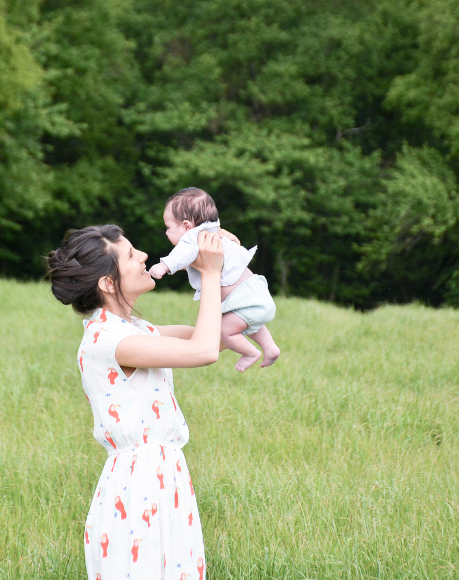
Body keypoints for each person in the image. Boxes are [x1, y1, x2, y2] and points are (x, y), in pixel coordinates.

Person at [46, 224, 226, 580]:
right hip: (139, 486)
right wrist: (210, 273)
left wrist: (218, 264)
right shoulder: (108, 340)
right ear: (108, 283)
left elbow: (217, 338)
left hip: (161, 479)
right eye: (130, 254)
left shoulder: (135, 331)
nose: (144, 256)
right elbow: (204, 350)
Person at [148, 187, 280, 372]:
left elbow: (180, 255)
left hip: (242, 297)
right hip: (252, 295)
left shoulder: (193, 238)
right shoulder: (214, 231)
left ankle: (251, 352)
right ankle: (270, 348)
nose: (166, 233)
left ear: (186, 226)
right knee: (247, 322)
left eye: (168, 227)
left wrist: (163, 266)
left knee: (224, 330)